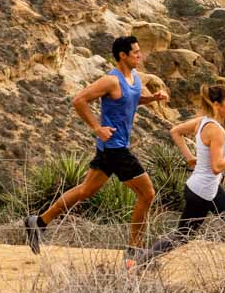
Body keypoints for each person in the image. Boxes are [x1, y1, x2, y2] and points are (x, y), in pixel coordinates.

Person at [24, 35, 169, 267]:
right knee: (147, 194)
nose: (140, 55)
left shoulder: (135, 78)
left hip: (112, 149)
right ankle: (134, 250)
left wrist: (152, 98)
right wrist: (97, 128)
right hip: (115, 148)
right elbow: (79, 100)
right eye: (135, 52)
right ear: (122, 55)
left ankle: (38, 222)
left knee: (84, 191)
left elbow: (130, 100)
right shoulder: (111, 80)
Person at [134, 80, 225, 284]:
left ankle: (140, 261)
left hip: (200, 187)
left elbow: (175, 131)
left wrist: (189, 157)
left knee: (182, 235)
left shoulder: (202, 122)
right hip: (204, 190)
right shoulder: (215, 129)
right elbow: (217, 167)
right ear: (217, 105)